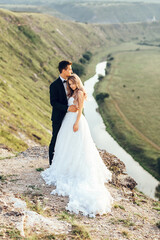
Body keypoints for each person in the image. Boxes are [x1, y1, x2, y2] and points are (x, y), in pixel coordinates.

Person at [42, 73, 113, 217]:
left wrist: (76, 123)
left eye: (73, 83)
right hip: (67, 121)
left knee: (77, 147)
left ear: (77, 82)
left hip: (76, 122)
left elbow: (80, 110)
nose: (71, 85)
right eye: (69, 83)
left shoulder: (79, 92)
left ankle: (76, 168)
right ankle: (66, 165)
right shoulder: (71, 92)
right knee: (65, 146)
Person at [49, 60, 78, 165]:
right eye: (69, 69)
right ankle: (52, 163)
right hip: (58, 117)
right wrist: (67, 108)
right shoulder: (54, 85)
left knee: (68, 140)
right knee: (55, 139)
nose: (71, 71)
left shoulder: (72, 82)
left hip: (71, 118)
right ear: (64, 70)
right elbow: (53, 103)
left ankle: (65, 163)